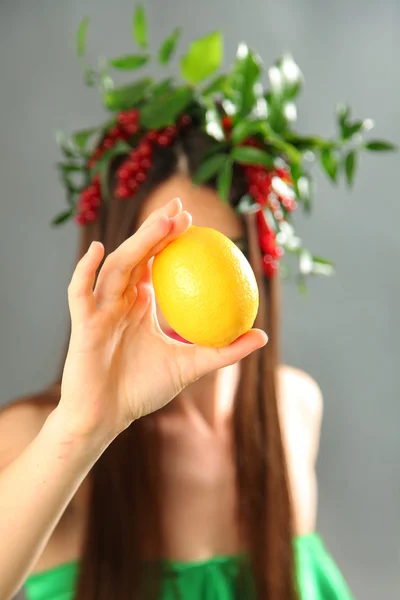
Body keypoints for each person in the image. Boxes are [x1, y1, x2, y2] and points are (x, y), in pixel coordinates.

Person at [3, 6, 392, 599]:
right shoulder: (37, 436)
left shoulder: (292, 409)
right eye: (168, 254)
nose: (198, 286)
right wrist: (82, 429)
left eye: (227, 251)